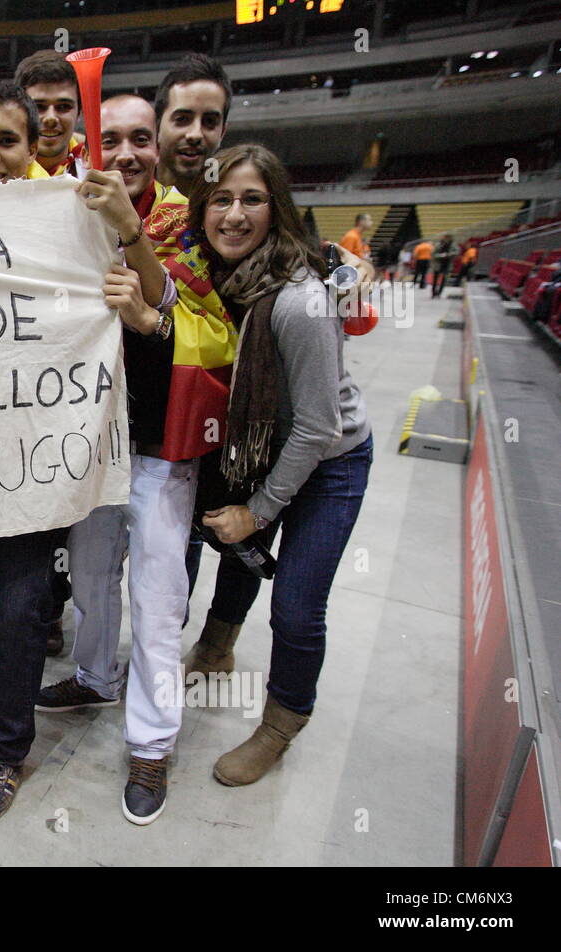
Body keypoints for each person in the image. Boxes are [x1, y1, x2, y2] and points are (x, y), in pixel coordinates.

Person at [0, 81, 160, 830]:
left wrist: (129, 229)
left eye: (7, 139)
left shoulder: (79, 207)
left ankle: (3, 752)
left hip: (41, 455)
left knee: (20, 603)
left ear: (33, 143)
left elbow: (156, 296)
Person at [35, 93, 222, 826]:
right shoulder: (57, 211)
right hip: (86, 443)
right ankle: (93, 675)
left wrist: (132, 241)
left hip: (155, 449)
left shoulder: (188, 222)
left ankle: (151, 741)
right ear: (89, 144)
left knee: (156, 598)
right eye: (109, 138)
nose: (126, 153)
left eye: (140, 139)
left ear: (158, 145)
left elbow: (191, 320)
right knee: (89, 577)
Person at [187, 144, 372, 786]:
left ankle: (281, 721)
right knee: (240, 557)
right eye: (222, 199)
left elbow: (319, 427)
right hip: (267, 442)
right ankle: (215, 647)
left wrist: (261, 508)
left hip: (332, 461)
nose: (235, 215)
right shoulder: (218, 280)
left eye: (253, 199)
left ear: (279, 209)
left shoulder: (297, 301)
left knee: (295, 606)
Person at [154, 53, 229, 196]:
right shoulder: (125, 199)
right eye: (182, 119)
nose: (195, 134)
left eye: (210, 122)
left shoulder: (232, 210)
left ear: (222, 132)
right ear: (156, 126)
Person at [14, 49, 86, 178]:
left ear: (79, 113)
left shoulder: (101, 168)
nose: (51, 118)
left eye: (64, 107)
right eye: (38, 107)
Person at [431, 232, 454, 297]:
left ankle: (439, 293)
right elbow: (433, 254)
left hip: (447, 264)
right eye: (446, 238)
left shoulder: (452, 245)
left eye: (448, 238)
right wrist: (441, 256)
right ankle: (433, 292)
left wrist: (449, 254)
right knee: (435, 279)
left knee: (444, 279)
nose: (447, 239)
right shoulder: (438, 245)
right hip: (438, 264)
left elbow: (457, 252)